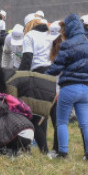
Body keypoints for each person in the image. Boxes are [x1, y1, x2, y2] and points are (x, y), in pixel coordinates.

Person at [46, 13, 88, 159]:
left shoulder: (67, 45)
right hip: (85, 90)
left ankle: (63, 153)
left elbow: (57, 67)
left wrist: (46, 72)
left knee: (62, 122)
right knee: (85, 124)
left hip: (68, 88)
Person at [20, 13, 57, 154]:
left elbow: (27, 59)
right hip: (53, 73)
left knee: (37, 115)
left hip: (38, 74)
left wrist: (20, 77)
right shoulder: (49, 35)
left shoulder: (29, 36)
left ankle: (44, 150)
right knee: (52, 113)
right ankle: (58, 150)